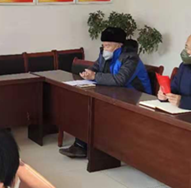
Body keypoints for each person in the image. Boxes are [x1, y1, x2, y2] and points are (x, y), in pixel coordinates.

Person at [61, 27, 152, 158]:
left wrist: (95, 76)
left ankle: (98, 149)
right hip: (115, 94)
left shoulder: (131, 58)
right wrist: (88, 72)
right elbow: (96, 67)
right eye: (103, 45)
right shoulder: (105, 54)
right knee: (85, 105)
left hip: (136, 98)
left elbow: (120, 79)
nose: (105, 48)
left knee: (97, 110)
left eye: (108, 45)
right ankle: (81, 145)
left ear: (119, 45)